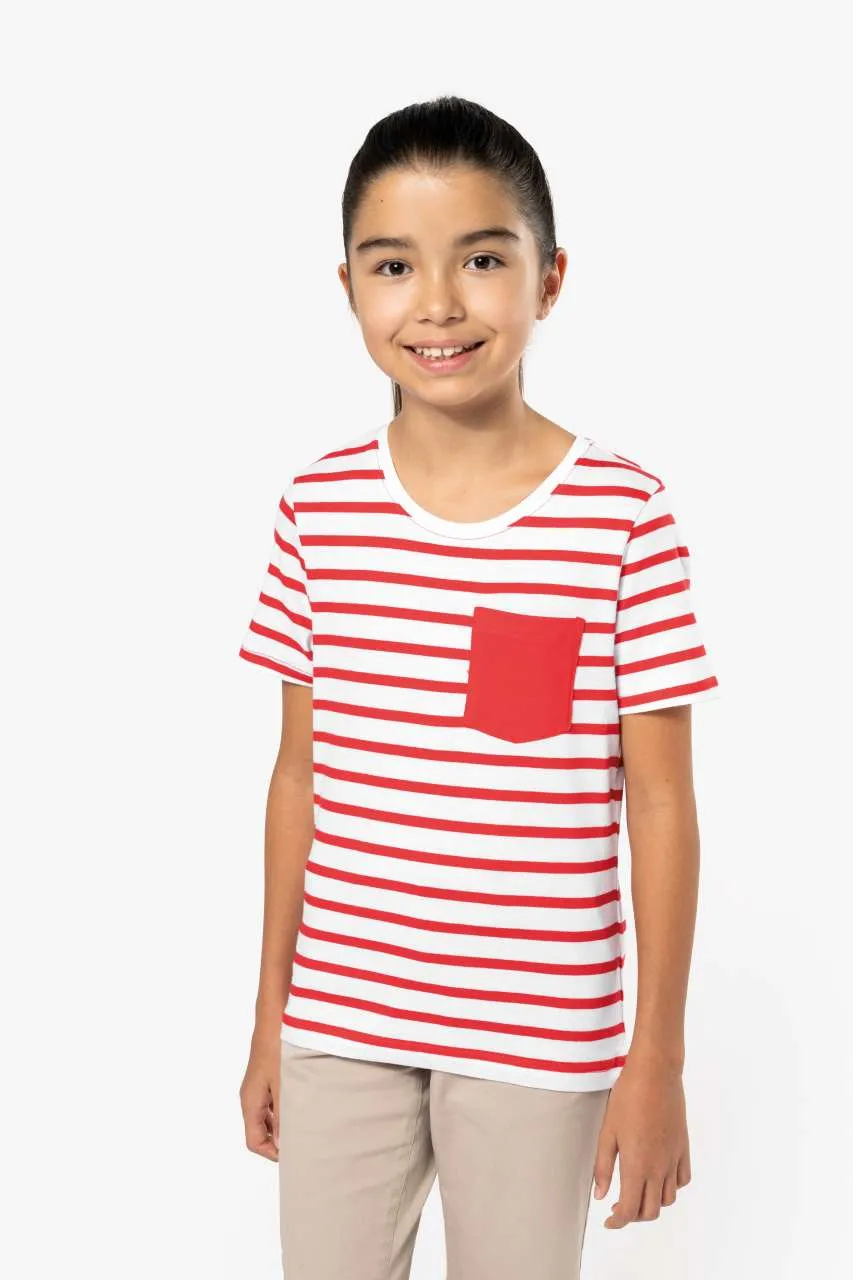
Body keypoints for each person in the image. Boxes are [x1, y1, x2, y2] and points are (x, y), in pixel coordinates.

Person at [237, 94, 720, 1280]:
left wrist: (655, 1056)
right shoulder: (317, 507)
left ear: (549, 279)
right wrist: (270, 1014)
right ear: (348, 288)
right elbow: (300, 772)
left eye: (484, 259)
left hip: (535, 1034)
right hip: (341, 1018)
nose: (439, 303)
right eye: (393, 264)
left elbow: (659, 799)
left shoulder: (620, 516)